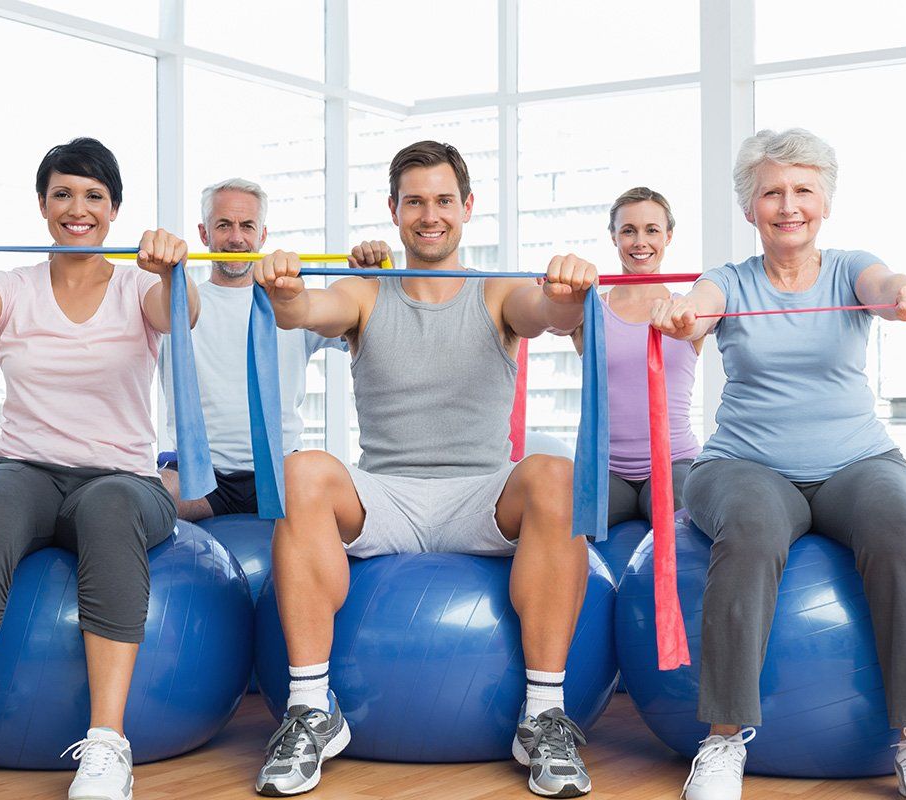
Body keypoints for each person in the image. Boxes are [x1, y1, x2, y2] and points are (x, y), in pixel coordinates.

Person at [251, 141, 597, 798]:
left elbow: (549, 314)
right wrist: (286, 289)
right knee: (301, 471)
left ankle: (543, 716)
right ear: (394, 209)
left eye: (443, 201)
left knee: (554, 472)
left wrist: (567, 293)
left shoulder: (496, 291)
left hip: (481, 496)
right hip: (387, 495)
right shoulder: (364, 292)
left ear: (467, 209)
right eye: (415, 201)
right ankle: (310, 710)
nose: (429, 215)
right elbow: (303, 313)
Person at [650, 128, 906, 800]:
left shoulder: (852, 268)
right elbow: (701, 309)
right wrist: (682, 315)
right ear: (750, 208)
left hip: (859, 461)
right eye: (771, 193)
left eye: (803, 191)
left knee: (901, 528)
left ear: (825, 202)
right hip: (744, 465)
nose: (788, 205)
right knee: (754, 531)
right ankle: (723, 741)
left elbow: (885, 286)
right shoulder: (728, 280)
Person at [0, 137, 195, 800]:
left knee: (109, 508)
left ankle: (109, 747)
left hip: (122, 481)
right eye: (63, 194)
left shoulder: (141, 287)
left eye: (93, 196)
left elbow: (182, 316)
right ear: (42, 204)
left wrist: (173, 271)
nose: (76, 208)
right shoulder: (14, 287)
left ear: (114, 210)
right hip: (23, 469)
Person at [157, 178, 346, 520]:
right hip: (199, 477)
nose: (235, 238)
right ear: (204, 234)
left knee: (332, 503)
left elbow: (358, 331)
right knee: (142, 500)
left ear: (262, 235)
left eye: (247, 226)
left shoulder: (292, 304)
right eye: (223, 225)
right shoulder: (175, 304)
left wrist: (369, 278)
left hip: (279, 471)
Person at [571, 187, 702, 527]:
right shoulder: (590, 310)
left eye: (652, 230)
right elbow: (547, 313)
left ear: (668, 236)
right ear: (614, 236)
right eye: (629, 230)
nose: (640, 241)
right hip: (606, 468)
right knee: (567, 527)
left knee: (688, 520)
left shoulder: (688, 311)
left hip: (675, 463)